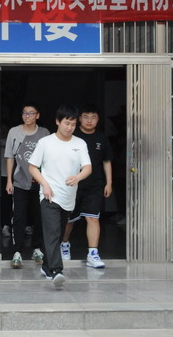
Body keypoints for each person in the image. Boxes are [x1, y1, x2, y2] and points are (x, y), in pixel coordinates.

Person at [28, 104, 91, 288]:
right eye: (66, 123)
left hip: (68, 198)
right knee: (53, 232)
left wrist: (78, 177)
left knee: (58, 232)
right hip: (49, 195)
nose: (70, 127)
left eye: (73, 124)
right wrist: (45, 185)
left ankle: (46, 266)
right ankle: (57, 270)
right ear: (58, 122)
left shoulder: (80, 144)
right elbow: (32, 166)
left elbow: (88, 167)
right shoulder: (45, 142)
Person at [60, 104, 113, 269]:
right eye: (86, 117)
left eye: (93, 117)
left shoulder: (102, 138)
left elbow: (106, 161)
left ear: (98, 119)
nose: (89, 121)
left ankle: (93, 253)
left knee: (93, 218)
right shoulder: (72, 136)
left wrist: (109, 183)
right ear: (79, 119)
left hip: (95, 185)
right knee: (70, 219)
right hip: (72, 184)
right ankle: (64, 244)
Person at [5, 103, 49, 268]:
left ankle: (36, 248)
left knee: (39, 216)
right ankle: (17, 251)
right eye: (24, 113)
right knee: (19, 217)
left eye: (31, 113)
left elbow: (48, 159)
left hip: (40, 183)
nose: (27, 116)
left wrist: (44, 179)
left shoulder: (44, 133)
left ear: (38, 115)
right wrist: (9, 180)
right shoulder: (14, 132)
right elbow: (10, 157)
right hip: (20, 182)